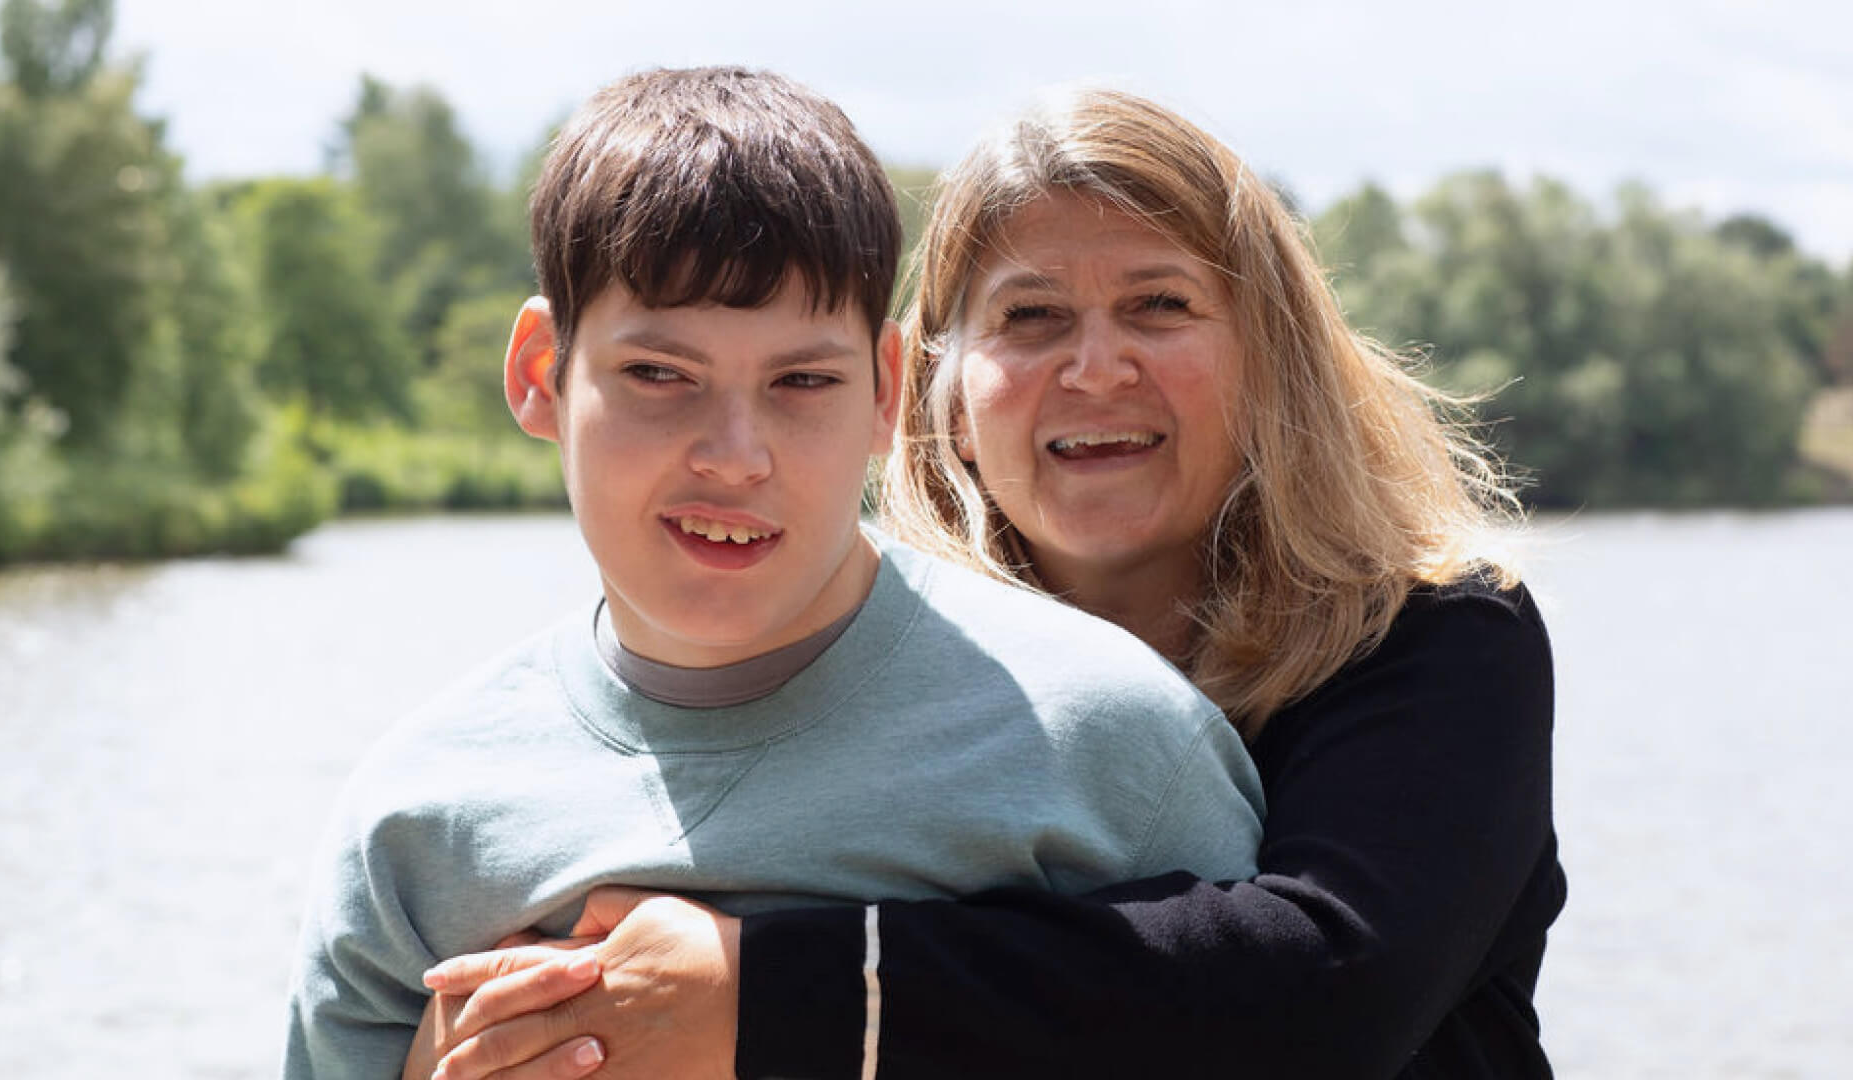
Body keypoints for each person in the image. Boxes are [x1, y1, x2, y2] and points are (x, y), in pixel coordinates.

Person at [412, 86, 1565, 1080]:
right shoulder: (851, 665)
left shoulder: (1441, 636)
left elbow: (1327, 992)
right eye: (1031, 317)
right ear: (937, 394)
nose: (1096, 365)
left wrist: (760, 995)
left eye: (1159, 305)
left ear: (1272, 360)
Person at [281, 68, 1269, 1080]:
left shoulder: (1117, 755)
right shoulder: (418, 817)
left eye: (803, 382)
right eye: (659, 375)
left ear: (887, 392)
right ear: (542, 373)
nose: (735, 454)